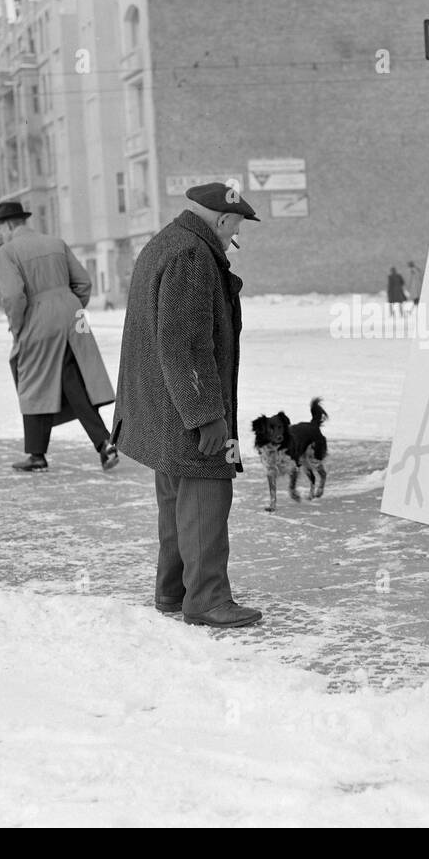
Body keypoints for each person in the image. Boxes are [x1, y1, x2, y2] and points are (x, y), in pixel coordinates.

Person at [112, 182, 263, 629]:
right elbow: (185, 345)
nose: (235, 235)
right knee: (207, 497)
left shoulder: (165, 244)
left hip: (163, 407)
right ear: (220, 221)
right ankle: (208, 599)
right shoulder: (193, 257)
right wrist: (206, 416)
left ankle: (172, 591)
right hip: (184, 408)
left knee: (176, 502)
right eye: (235, 227)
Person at [0, 199, 118, 473]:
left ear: (8, 225)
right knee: (72, 380)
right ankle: (103, 442)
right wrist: (70, 306)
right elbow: (83, 282)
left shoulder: (7, 251)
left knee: (31, 380)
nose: (0, 233)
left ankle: (37, 456)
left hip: (38, 319)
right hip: (73, 316)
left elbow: (13, 296)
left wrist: (18, 327)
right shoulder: (55, 242)